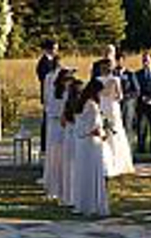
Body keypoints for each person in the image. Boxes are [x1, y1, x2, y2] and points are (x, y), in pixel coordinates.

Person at [73, 79, 109, 217]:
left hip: (82, 144)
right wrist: (103, 133)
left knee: (84, 173)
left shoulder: (81, 103)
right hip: (92, 143)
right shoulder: (92, 105)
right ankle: (93, 204)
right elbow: (94, 127)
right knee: (93, 173)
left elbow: (80, 124)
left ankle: (84, 203)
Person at [98, 59, 135, 177]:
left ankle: (109, 161)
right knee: (113, 132)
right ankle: (114, 161)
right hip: (110, 106)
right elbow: (120, 96)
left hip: (105, 106)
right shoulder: (114, 79)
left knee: (109, 132)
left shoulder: (99, 80)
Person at [44, 68, 74, 200]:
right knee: (56, 157)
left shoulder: (70, 93)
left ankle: (65, 186)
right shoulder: (54, 92)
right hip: (57, 126)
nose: (69, 82)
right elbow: (51, 110)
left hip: (64, 126)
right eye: (67, 79)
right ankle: (55, 186)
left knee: (65, 158)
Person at [61, 78, 84, 206]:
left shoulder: (67, 103)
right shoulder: (81, 104)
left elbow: (62, 122)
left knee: (68, 166)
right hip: (78, 135)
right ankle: (77, 195)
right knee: (77, 165)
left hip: (68, 135)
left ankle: (68, 195)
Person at [36, 39, 59, 154]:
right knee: (46, 120)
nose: (56, 51)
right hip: (48, 93)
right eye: (55, 48)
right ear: (49, 49)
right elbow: (43, 78)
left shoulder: (54, 60)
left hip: (54, 94)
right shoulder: (43, 62)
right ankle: (44, 146)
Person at [114, 52, 140, 146]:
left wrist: (125, 96)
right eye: (117, 60)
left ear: (124, 61)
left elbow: (136, 91)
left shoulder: (130, 74)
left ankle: (127, 145)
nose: (118, 63)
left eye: (120, 60)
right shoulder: (112, 74)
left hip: (127, 104)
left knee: (127, 125)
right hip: (115, 104)